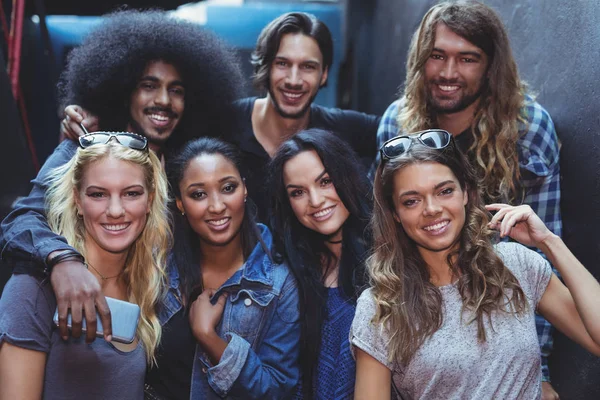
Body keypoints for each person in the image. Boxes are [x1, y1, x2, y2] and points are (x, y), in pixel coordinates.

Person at [0, 9, 242, 343]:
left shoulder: (187, 170)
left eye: (177, 90)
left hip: (156, 349)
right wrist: (62, 261)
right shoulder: (84, 151)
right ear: (124, 89)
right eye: (149, 86)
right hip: (81, 337)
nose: (163, 100)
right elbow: (21, 220)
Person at [370, 1, 561, 393]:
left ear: (491, 66)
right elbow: (390, 237)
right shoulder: (396, 124)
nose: (448, 73)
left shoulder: (528, 130)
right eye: (437, 55)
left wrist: (538, 372)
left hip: (504, 326)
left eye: (467, 58)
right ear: (421, 58)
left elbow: (543, 264)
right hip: (425, 324)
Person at [351, 130, 600, 399]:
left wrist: (550, 243)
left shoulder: (517, 266)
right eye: (412, 201)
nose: (431, 209)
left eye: (445, 191)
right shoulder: (381, 306)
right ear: (396, 214)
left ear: (466, 192)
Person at [0, 136, 171, 399]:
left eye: (131, 193)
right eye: (98, 194)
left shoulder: (149, 283)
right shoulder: (34, 288)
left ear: (149, 201)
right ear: (78, 201)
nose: (115, 210)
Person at [144, 137, 301, 399]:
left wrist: (210, 338)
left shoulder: (278, 282)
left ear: (245, 189)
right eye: (198, 194)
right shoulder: (156, 266)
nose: (216, 206)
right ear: (180, 203)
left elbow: (276, 391)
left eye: (228, 188)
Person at [227, 12, 380, 221]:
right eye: (283, 63)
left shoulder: (342, 128)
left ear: (324, 73)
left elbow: (405, 127)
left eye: (308, 67)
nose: (294, 79)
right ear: (266, 66)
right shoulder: (226, 122)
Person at [269, 129, 372, 399]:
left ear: (346, 176)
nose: (315, 201)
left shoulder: (391, 257)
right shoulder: (288, 272)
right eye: (298, 192)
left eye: (325, 181)